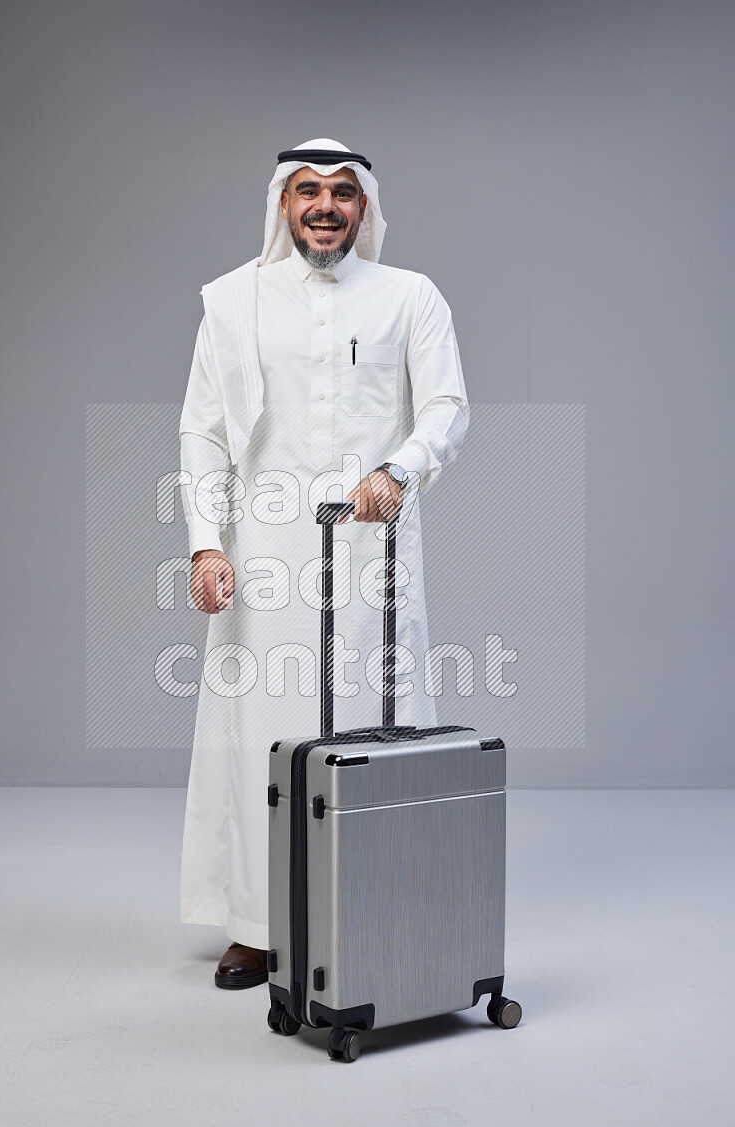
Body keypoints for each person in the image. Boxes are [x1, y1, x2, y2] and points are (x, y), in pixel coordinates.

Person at [179, 138, 469, 988]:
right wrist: (203, 540)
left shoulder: (410, 297)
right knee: (258, 729)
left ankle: (379, 904)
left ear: (366, 206)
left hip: (372, 544)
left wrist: (400, 469)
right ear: (281, 202)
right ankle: (257, 923)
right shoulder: (233, 302)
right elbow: (201, 430)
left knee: (382, 723)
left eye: (343, 192)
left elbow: (447, 407)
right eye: (308, 190)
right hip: (263, 549)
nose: (325, 206)